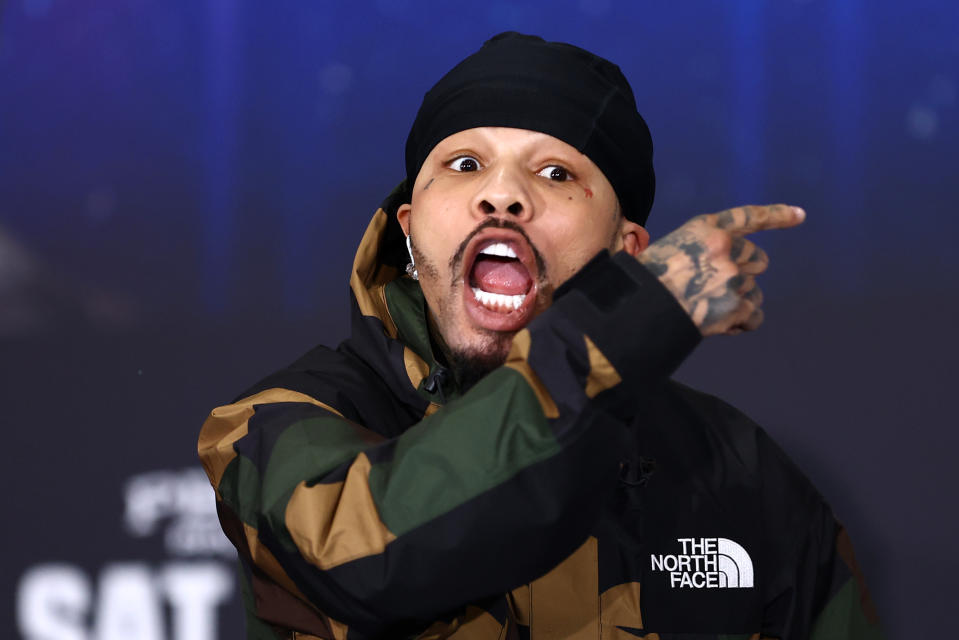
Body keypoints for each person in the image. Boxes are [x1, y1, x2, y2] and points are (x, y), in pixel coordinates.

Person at [198, 32, 884, 639]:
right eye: (464, 164)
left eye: (556, 173)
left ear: (626, 252)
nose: (501, 194)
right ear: (408, 229)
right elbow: (365, 551)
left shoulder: (738, 469)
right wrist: (623, 328)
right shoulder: (274, 423)